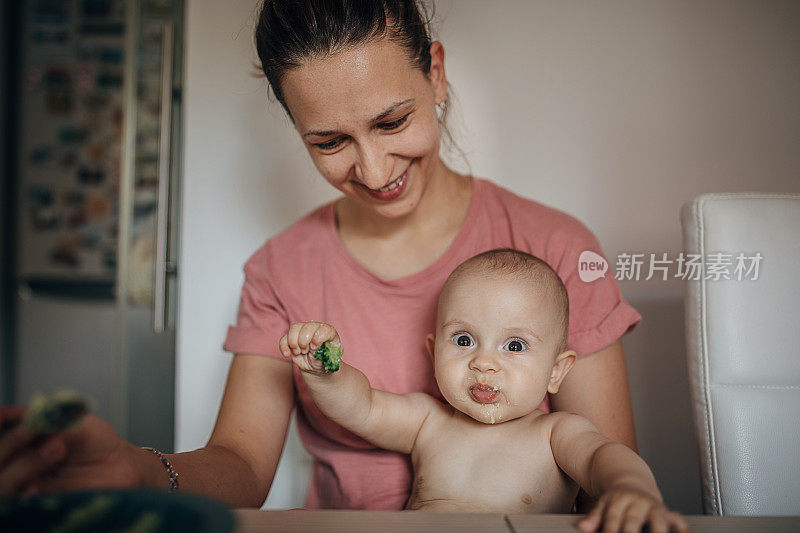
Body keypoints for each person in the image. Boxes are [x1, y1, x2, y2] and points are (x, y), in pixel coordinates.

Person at [0, 0, 641, 513]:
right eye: (330, 141)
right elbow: (243, 468)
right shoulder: (281, 271)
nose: (373, 168)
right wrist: (138, 467)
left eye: (391, 122)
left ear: (436, 73)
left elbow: (607, 478)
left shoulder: (557, 248)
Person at [280, 249, 686, 533]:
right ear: (433, 352)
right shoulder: (428, 421)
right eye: (463, 340)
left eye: (514, 346)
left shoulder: (556, 434)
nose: (484, 362)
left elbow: (604, 457)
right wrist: (325, 373)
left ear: (555, 372)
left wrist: (631, 488)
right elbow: (362, 408)